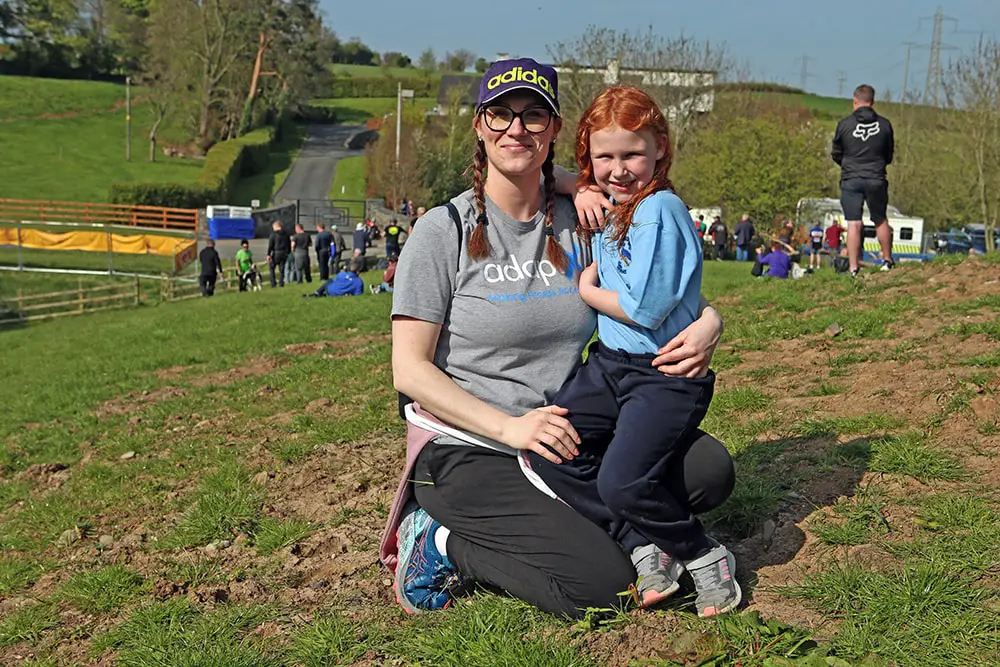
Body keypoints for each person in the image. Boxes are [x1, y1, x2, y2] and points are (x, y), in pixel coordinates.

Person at [383, 57, 732, 620]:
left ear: (554, 130)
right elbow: (411, 371)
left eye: (533, 116)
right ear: (479, 125)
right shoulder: (441, 230)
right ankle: (439, 541)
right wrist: (510, 426)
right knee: (602, 588)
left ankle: (609, 520)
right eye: (500, 115)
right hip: (472, 447)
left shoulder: (583, 218)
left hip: (572, 434)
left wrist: (710, 320)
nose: (515, 129)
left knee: (708, 473)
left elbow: (657, 286)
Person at [522, 86, 739, 617]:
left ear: (660, 148)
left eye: (632, 155)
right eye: (605, 157)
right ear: (587, 159)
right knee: (548, 444)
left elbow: (646, 308)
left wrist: (589, 292)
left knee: (622, 480)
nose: (618, 170)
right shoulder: (618, 204)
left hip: (662, 373)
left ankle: (703, 555)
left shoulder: (659, 209)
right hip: (611, 365)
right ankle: (646, 543)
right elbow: (537, 172)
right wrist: (582, 187)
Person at [832, 84, 895, 276]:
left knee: (854, 223)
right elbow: (889, 155)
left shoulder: (845, 124)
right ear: (873, 102)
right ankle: (887, 260)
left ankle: (853, 268)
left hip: (851, 178)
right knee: (880, 218)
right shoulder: (884, 125)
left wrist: (848, 166)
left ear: (854, 101)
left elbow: (836, 152)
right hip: (876, 177)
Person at [266, 221, 290, 288]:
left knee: (272, 268)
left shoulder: (273, 234)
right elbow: (288, 244)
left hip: (276, 253)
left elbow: (270, 245)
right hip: (284, 253)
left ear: (276, 226)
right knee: (282, 269)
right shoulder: (286, 234)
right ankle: (281, 283)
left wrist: (268, 254)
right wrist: (288, 253)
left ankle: (273, 283)